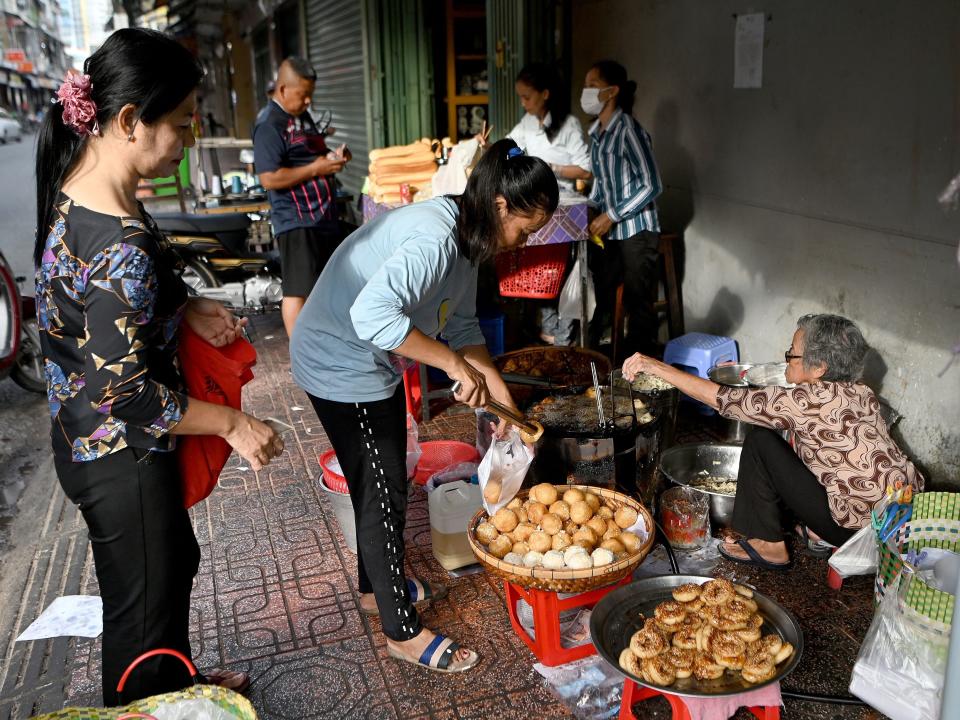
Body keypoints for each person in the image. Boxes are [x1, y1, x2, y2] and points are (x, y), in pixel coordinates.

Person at [34, 28, 283, 704]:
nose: (187, 140)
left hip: (83, 439)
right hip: (118, 450)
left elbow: (99, 304)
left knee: (166, 573)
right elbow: (127, 392)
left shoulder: (81, 189)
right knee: (141, 621)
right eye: (179, 124)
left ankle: (179, 682)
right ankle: (152, 702)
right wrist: (233, 422)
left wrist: (187, 303)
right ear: (126, 122)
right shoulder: (120, 240)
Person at [290, 139, 558, 672]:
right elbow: (373, 317)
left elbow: (459, 324)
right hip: (340, 359)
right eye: (525, 231)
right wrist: (452, 366)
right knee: (382, 490)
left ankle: (375, 591)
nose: (522, 244)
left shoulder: (468, 237)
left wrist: (500, 397)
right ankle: (401, 631)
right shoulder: (436, 238)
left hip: (363, 358)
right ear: (502, 205)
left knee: (381, 480)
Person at [622, 314, 924, 569]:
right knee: (798, 448)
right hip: (901, 518)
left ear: (818, 369)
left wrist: (657, 366)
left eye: (792, 353)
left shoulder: (807, 401)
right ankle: (818, 531)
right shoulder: (863, 393)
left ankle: (769, 545)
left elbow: (722, 399)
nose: (787, 359)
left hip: (856, 532)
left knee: (762, 441)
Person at [254, 56, 351, 336]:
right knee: (298, 291)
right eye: (303, 95)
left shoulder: (301, 117)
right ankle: (300, 358)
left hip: (323, 214)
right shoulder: (269, 124)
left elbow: (313, 154)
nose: (308, 102)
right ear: (283, 90)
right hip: (296, 219)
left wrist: (333, 158)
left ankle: (321, 347)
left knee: (322, 286)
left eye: (311, 96)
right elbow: (269, 178)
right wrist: (315, 168)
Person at [504, 63, 592, 347]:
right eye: (520, 97)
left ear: (545, 94)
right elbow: (509, 145)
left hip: (564, 201)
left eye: (527, 97)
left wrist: (549, 167)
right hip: (537, 202)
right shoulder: (528, 122)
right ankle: (549, 329)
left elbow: (585, 170)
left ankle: (564, 337)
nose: (523, 103)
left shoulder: (568, 125)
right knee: (540, 268)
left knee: (563, 269)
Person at [582, 60, 662, 357]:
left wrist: (611, 214)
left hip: (637, 229)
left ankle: (646, 371)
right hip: (610, 232)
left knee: (637, 302)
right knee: (601, 297)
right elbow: (601, 185)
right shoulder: (597, 135)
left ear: (611, 91)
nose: (585, 92)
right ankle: (602, 363)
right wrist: (589, 208)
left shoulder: (628, 129)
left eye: (592, 86)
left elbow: (653, 184)